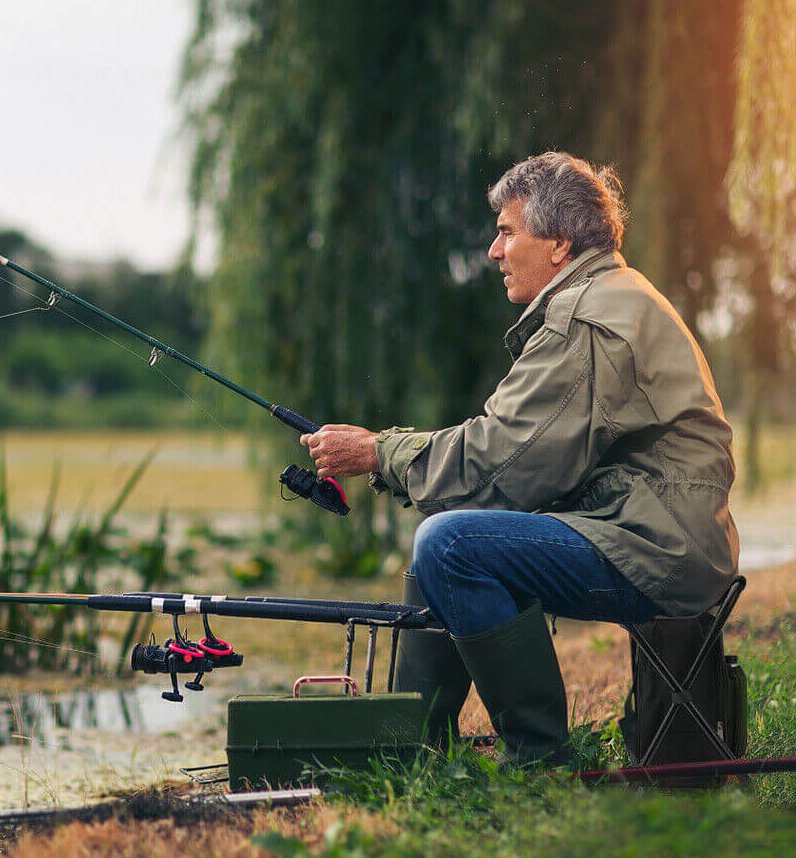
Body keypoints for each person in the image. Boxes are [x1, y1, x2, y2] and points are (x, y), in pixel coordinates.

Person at [299, 151, 740, 765]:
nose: (493, 251)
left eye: (507, 231)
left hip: (657, 552)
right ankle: (408, 751)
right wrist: (392, 453)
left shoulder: (585, 320)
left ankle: (541, 759)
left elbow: (499, 462)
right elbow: (517, 460)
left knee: (449, 544)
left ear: (559, 244)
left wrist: (378, 453)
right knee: (443, 541)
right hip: (660, 538)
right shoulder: (611, 295)